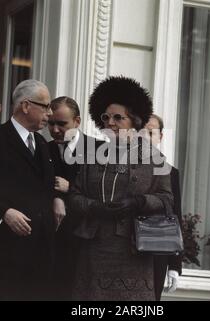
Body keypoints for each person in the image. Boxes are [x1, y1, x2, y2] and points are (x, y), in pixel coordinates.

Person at [67, 76, 175, 301]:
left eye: (118, 117)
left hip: (134, 251)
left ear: (134, 120)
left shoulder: (155, 159)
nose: (110, 123)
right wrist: (95, 207)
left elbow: (166, 200)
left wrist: (138, 202)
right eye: (106, 117)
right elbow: (74, 198)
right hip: (95, 250)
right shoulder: (90, 156)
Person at [0, 79, 64, 301]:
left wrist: (57, 198)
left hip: (40, 250)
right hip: (6, 251)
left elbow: (45, 186)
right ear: (26, 106)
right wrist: (4, 212)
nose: (49, 113)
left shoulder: (41, 143)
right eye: (45, 106)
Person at [48, 96, 101, 299]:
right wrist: (56, 196)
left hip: (85, 242)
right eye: (51, 123)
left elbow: (105, 197)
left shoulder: (98, 151)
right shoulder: (44, 149)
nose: (55, 130)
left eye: (62, 124)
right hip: (53, 241)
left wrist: (69, 189)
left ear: (77, 122)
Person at [144, 113, 182, 300]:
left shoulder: (170, 172)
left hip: (157, 249)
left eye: (150, 133)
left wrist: (175, 264)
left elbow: (175, 216)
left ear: (160, 137)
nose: (145, 138)